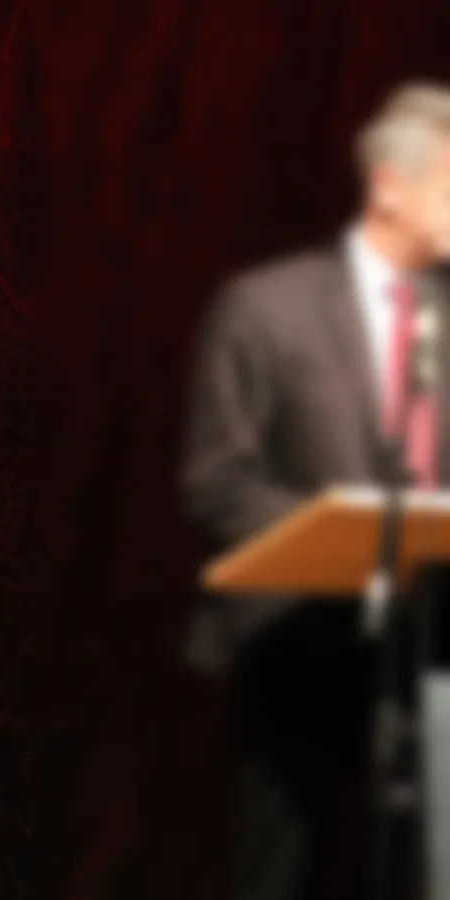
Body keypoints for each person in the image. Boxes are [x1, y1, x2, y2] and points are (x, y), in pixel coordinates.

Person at [181, 81, 450, 900]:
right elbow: (217, 479)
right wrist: (345, 533)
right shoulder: (267, 306)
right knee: (284, 870)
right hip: (302, 635)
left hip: (439, 633)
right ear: (390, 184)